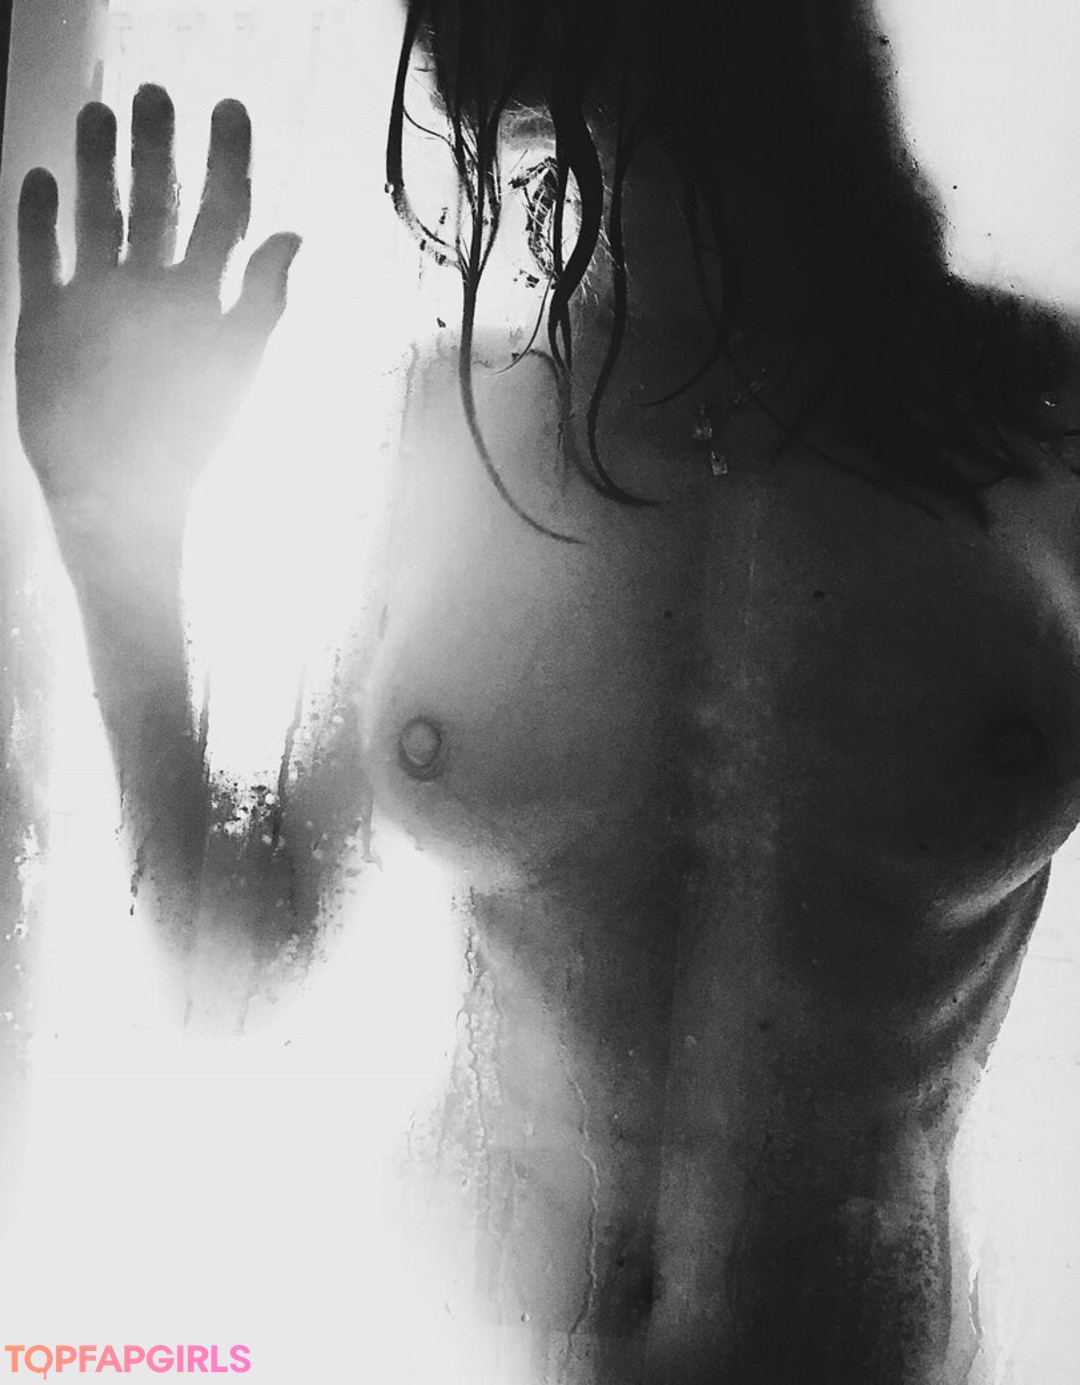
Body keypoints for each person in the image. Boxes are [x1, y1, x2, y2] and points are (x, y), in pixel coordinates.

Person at [13, 0, 1080, 1380]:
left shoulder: (1045, 426)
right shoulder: (458, 422)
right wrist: (112, 518)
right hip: (471, 1347)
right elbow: (234, 950)